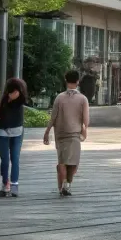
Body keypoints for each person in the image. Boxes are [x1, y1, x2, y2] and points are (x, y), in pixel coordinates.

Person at [43, 69, 90, 197]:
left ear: (66, 80)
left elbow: (53, 117)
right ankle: (67, 184)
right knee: (73, 162)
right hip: (74, 133)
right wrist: (85, 130)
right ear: (78, 82)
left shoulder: (59, 97)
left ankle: (63, 184)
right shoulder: (82, 99)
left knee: (62, 160)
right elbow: (86, 120)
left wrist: (47, 132)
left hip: (60, 134)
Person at [0, 78, 29, 197]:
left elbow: (22, 89)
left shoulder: (21, 101)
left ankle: (14, 185)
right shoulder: (1, 101)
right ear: (9, 91)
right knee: (5, 160)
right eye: (14, 92)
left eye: (18, 92)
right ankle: (5, 183)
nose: (16, 94)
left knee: (15, 158)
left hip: (17, 133)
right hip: (3, 132)